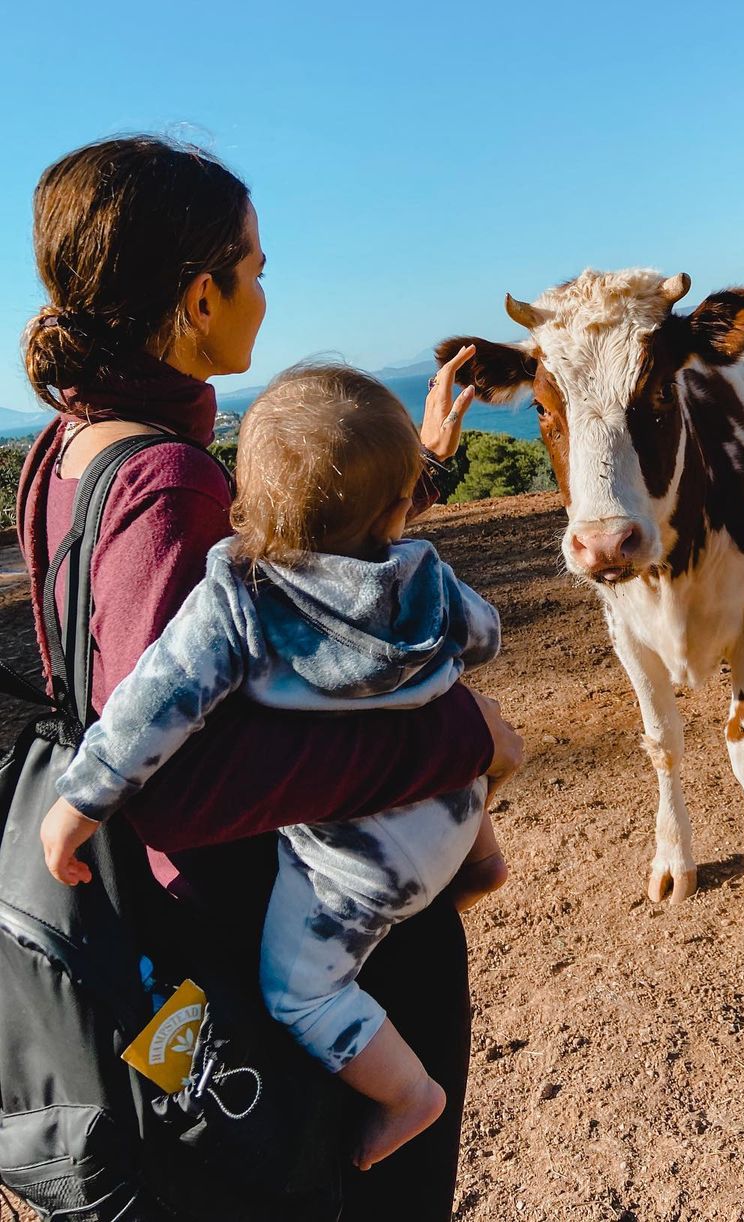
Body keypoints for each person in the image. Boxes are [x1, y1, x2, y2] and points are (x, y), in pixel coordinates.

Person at [16, 134, 524, 1219]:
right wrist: (459, 742)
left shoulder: (72, 446)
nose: (265, 288)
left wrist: (414, 470)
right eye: (253, 268)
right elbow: (174, 780)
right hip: (267, 931)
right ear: (202, 297)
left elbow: (298, 567)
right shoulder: (165, 484)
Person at [41, 364, 511, 1171]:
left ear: (248, 504)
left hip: (354, 866)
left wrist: (80, 801)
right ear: (399, 509)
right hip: (452, 809)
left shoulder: (239, 593)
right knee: (466, 791)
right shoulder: (427, 572)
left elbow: (155, 703)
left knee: (304, 992)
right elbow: (484, 636)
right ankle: (483, 860)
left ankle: (406, 1095)